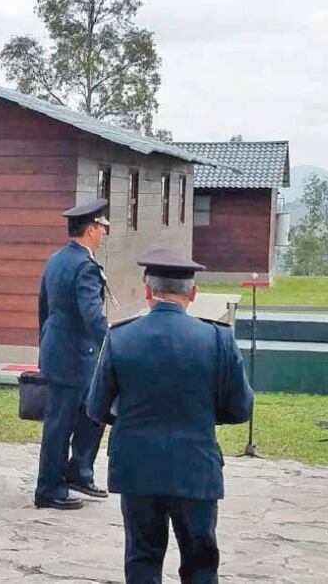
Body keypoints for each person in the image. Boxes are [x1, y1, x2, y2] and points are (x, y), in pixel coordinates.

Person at [86, 248, 254, 583]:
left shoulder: (120, 337)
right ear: (193, 294)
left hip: (138, 467)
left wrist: (132, 415)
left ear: (147, 291)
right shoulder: (218, 339)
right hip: (195, 466)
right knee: (200, 562)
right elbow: (240, 409)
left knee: (142, 558)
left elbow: (96, 408)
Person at [34, 198, 110, 510]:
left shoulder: (56, 259)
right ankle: (49, 489)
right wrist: (115, 343)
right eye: (103, 227)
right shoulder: (85, 267)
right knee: (60, 425)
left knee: (91, 414)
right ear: (91, 229)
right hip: (75, 357)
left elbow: (43, 308)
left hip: (58, 350)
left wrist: (46, 344)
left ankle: (79, 470)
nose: (105, 233)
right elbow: (92, 316)